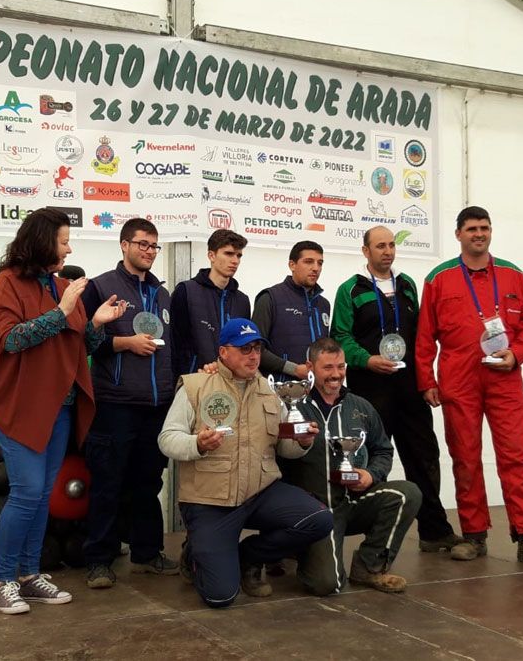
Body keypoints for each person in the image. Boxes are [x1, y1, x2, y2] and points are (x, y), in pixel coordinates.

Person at [0, 207, 127, 615]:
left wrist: (95, 322)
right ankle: (2, 581)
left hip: (60, 406)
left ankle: (28, 575)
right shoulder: (5, 285)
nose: (69, 247)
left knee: (41, 496)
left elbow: (80, 349)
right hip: (22, 407)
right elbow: (11, 340)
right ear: (42, 242)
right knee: (26, 493)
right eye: (63, 241)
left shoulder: (63, 287)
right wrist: (61, 311)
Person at [158, 318, 333, 608]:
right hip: (210, 501)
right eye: (244, 349)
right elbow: (167, 438)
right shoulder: (195, 386)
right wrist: (197, 444)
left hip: (259, 493)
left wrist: (302, 441)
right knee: (220, 596)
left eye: (257, 349)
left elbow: (285, 449)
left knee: (319, 519)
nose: (253, 356)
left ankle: (250, 555)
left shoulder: (269, 390)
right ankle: (196, 554)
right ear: (223, 352)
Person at [416, 206, 523, 569]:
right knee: (465, 458)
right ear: (458, 234)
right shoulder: (439, 278)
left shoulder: (513, 275)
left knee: (515, 457)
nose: (479, 234)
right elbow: (425, 335)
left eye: (485, 228)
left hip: (504, 377)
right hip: (458, 379)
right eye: (472, 228)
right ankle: (474, 535)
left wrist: (518, 353)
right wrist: (426, 379)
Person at [331, 225, 468, 557]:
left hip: (408, 389)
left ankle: (434, 531)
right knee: (369, 460)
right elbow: (340, 337)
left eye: (391, 245)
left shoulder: (407, 286)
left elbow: (421, 337)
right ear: (366, 251)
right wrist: (367, 359)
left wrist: (426, 380)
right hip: (369, 389)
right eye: (380, 246)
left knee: (423, 458)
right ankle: (366, 540)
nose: (387, 251)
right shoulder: (350, 290)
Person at [280, 337, 422, 595]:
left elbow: (383, 450)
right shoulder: (292, 406)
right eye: (328, 368)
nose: (336, 375)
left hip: (352, 501)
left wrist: (371, 474)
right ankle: (299, 550)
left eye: (341, 367)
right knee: (327, 584)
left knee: (407, 494)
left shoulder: (360, 407)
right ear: (310, 368)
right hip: (314, 511)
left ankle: (369, 567)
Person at [80, 219, 178, 588]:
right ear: (124, 245)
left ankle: (147, 553)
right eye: (142, 244)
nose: (149, 251)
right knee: (107, 482)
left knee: (148, 482)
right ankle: (99, 561)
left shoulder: (163, 295)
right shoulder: (101, 287)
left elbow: (172, 346)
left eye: (154, 246)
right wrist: (125, 343)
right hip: (116, 401)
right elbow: (84, 342)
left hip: (156, 404)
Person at [170, 229, 250, 376]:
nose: (235, 261)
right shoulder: (186, 291)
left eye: (239, 255)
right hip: (195, 381)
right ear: (211, 255)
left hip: (232, 382)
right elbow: (175, 345)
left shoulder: (242, 300)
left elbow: (244, 346)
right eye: (228, 253)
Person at [252, 240, 330, 381]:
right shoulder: (270, 298)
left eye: (320, 263)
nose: (315, 268)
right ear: (292, 265)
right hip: (280, 390)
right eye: (308, 262)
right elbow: (256, 350)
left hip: (317, 389)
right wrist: (293, 369)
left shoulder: (324, 304)